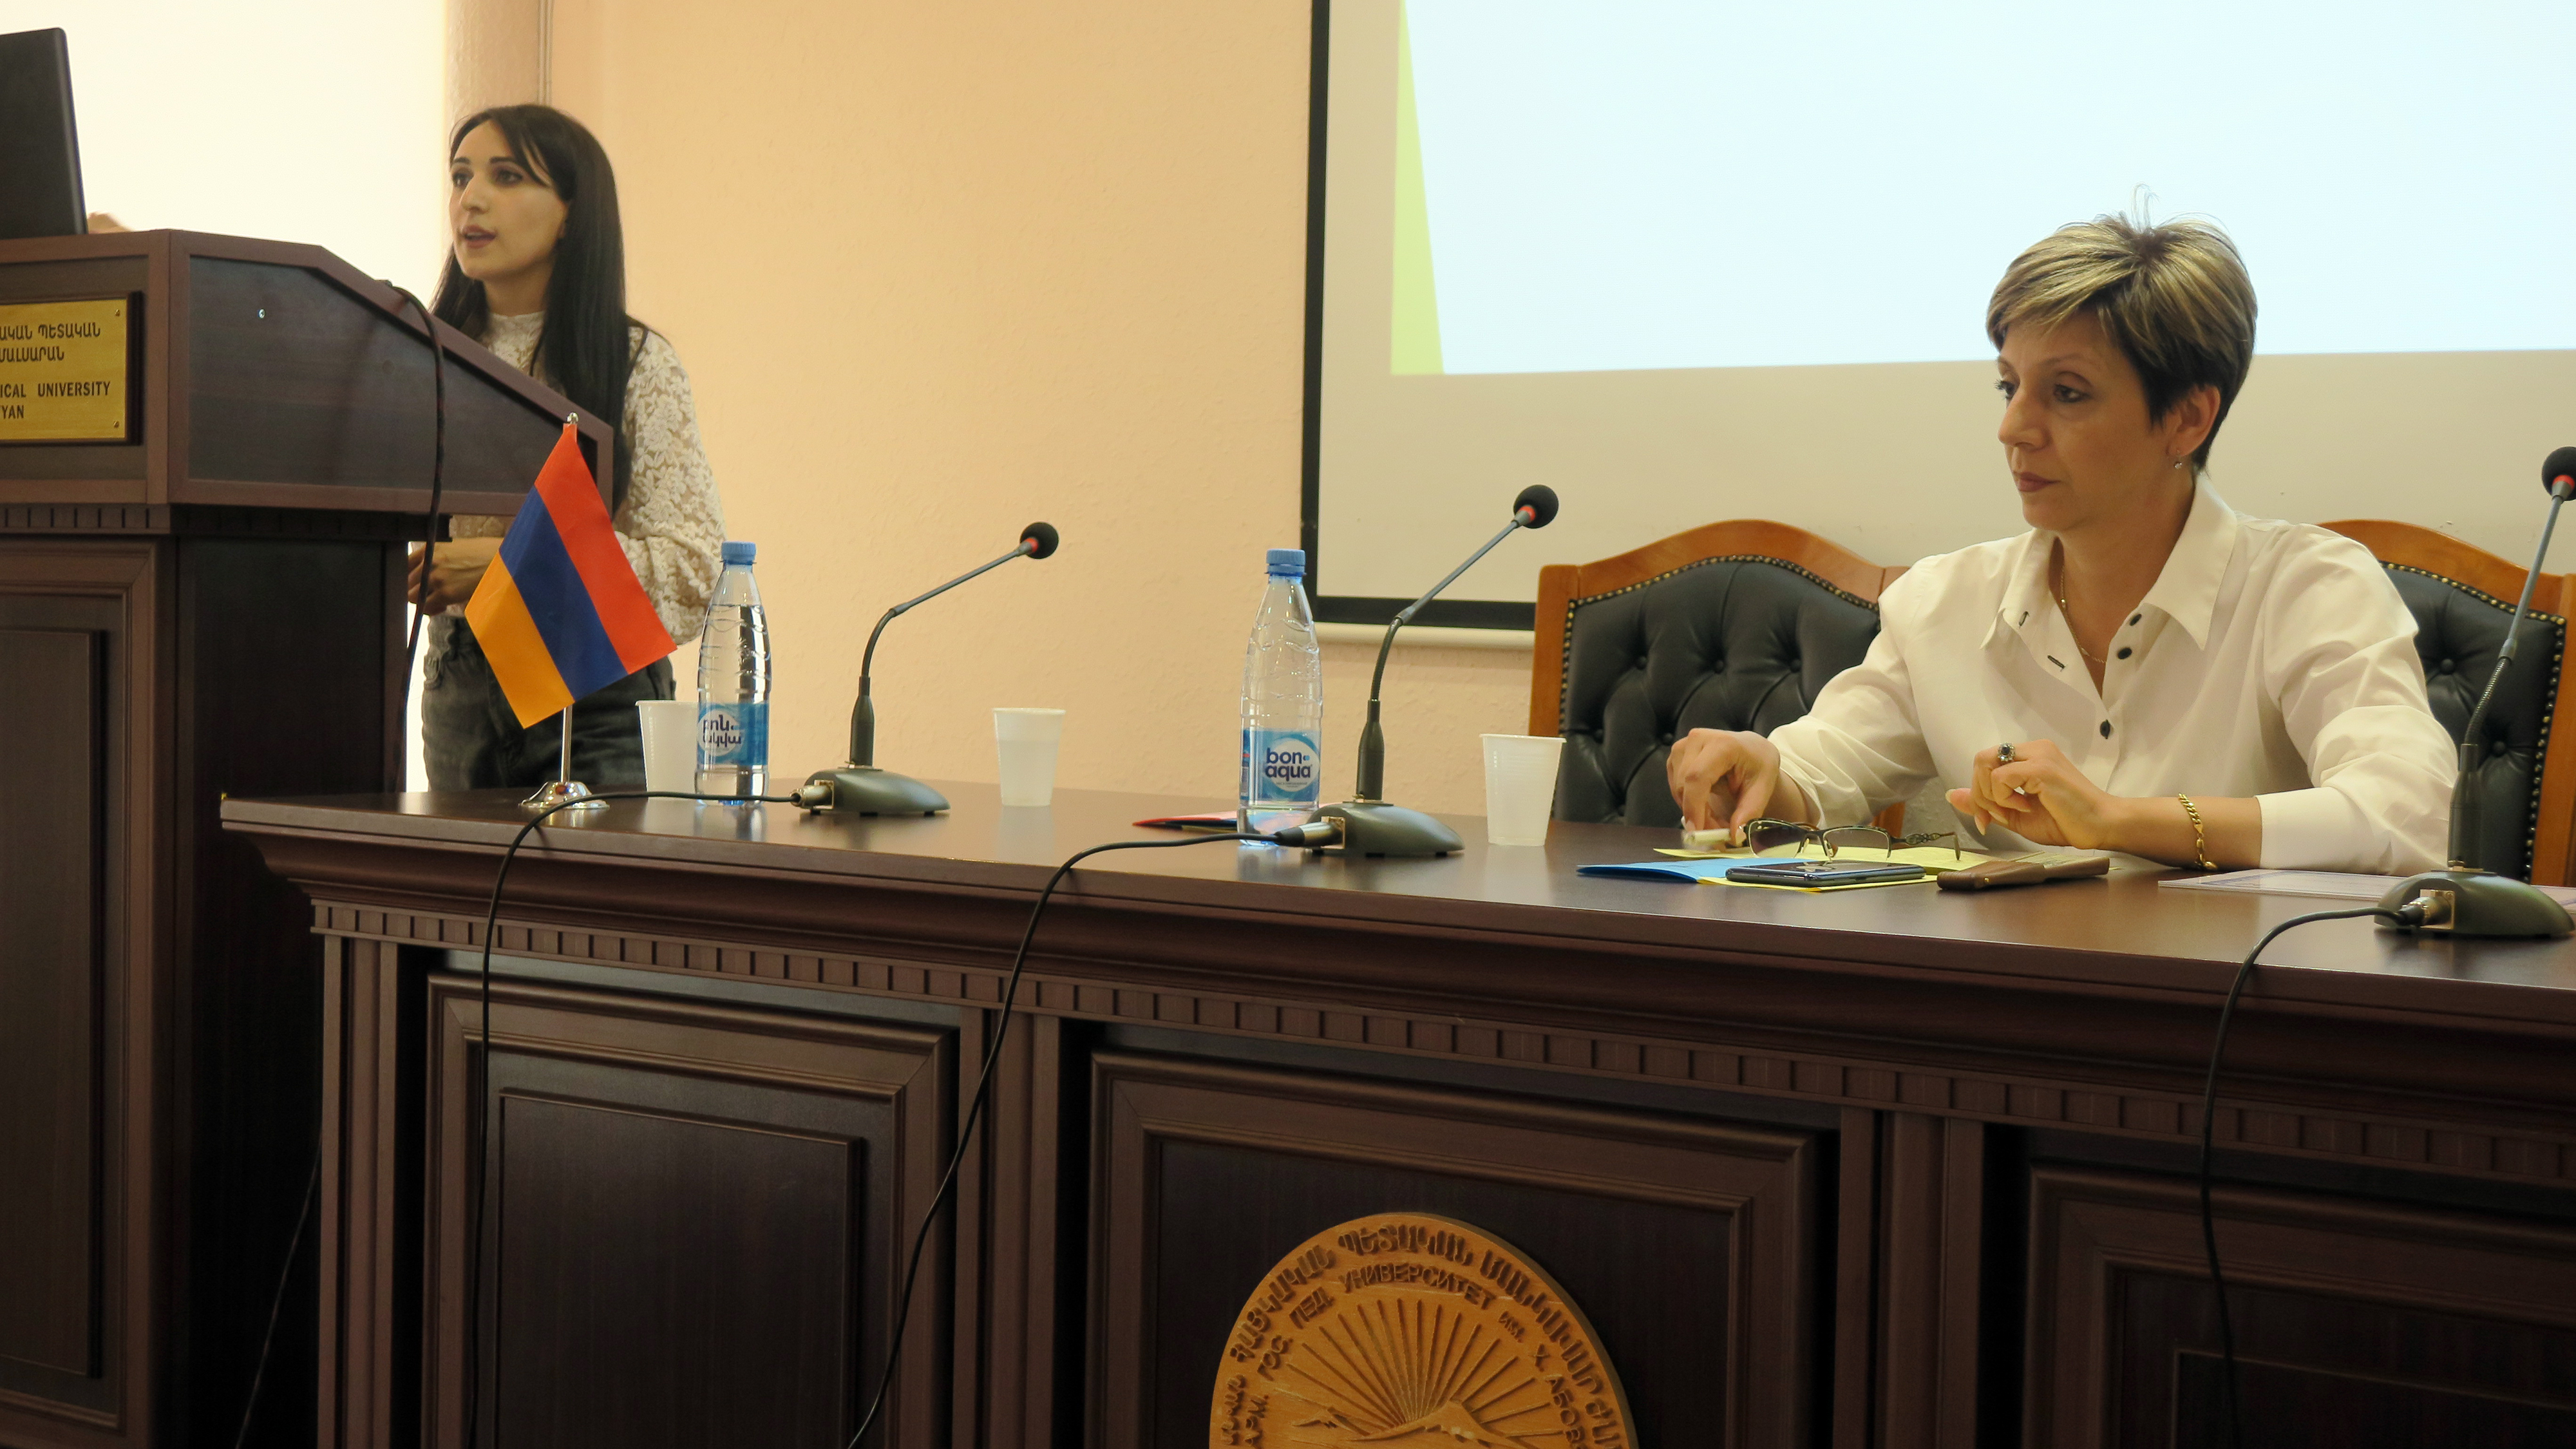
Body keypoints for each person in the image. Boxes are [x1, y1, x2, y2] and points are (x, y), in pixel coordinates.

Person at [1665, 216, 2454, 874]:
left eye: (2066, 393)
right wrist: (1757, 771)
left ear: (2187, 418)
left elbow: (2404, 813)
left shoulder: (2308, 587)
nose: (2012, 428)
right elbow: (1817, 775)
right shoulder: (1943, 603)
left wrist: (2119, 820)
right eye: (2009, 386)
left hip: (2240, 999)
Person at [409, 104, 726, 790]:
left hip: (596, 693)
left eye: (506, 176)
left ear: (572, 214)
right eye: (460, 177)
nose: (471, 199)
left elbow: (693, 567)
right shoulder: (420, 357)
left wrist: (509, 564)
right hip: (459, 684)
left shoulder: (634, 361)